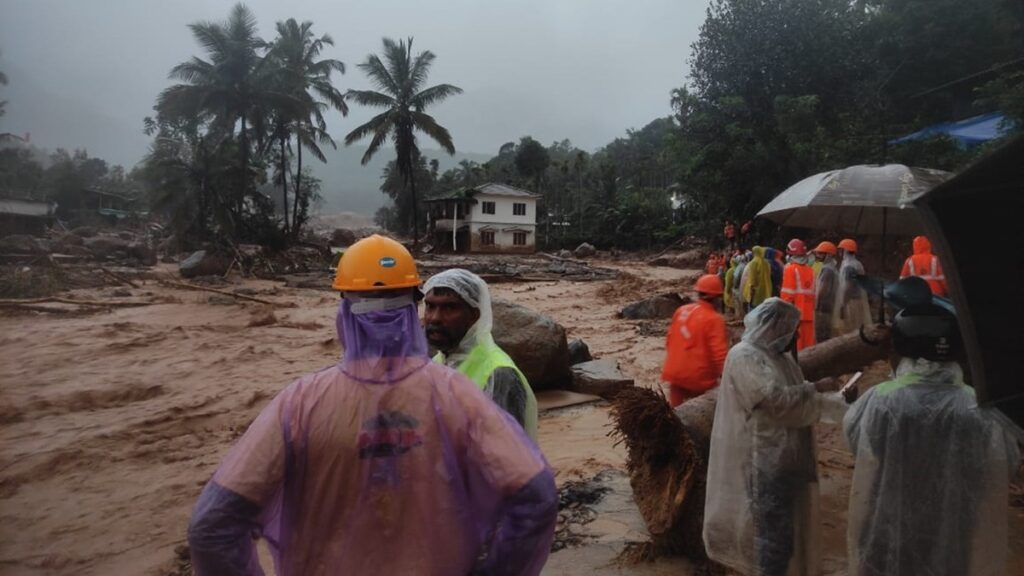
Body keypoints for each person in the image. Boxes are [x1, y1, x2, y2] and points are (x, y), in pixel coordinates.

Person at [187, 235, 557, 576]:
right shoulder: (457, 394)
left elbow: (212, 528)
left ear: (344, 313)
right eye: (431, 306)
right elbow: (535, 498)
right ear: (414, 309)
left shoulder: (299, 404)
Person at [843, 291, 1020, 576]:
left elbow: (858, 445)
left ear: (901, 349)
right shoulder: (979, 406)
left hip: (887, 521)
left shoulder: (880, 400)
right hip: (953, 527)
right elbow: (1003, 464)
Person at [703, 298, 850, 576]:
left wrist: (838, 402)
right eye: (790, 329)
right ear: (772, 326)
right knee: (771, 535)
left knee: (787, 532)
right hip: (763, 459)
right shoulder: (744, 356)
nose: (794, 336)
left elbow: (799, 396)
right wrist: (814, 388)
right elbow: (772, 400)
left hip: (788, 457)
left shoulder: (779, 358)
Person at [423, 268, 538, 440]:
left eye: (449, 308)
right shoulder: (438, 361)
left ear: (474, 316)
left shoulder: (499, 374)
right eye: (430, 306)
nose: (434, 318)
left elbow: (507, 455)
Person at [661, 274, 730, 407]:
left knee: (674, 413)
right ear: (717, 298)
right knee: (700, 415)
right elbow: (719, 355)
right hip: (698, 377)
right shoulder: (714, 319)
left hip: (674, 371)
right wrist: (727, 377)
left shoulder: (681, 310)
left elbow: (669, 341)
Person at [780, 239, 816, 351]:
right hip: (810, 314)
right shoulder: (810, 270)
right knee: (810, 348)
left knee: (797, 349)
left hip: (795, 315)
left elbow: (787, 295)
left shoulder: (790, 269)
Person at [834, 238, 873, 334]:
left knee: (848, 331)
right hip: (858, 301)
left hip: (850, 303)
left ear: (845, 250)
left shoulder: (848, 266)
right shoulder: (858, 264)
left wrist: (842, 304)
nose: (839, 252)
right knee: (858, 330)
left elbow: (848, 287)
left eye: (841, 249)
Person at [811, 241, 839, 343]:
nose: (817, 256)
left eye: (820, 253)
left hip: (823, 308)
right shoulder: (832, 268)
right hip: (828, 306)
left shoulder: (827, 270)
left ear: (828, 255)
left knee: (822, 335)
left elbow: (822, 290)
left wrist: (816, 305)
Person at [741, 246, 773, 311]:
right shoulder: (767, 263)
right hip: (767, 292)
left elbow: (752, 280)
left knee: (753, 314)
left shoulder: (753, 263)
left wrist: (751, 293)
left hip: (756, 294)